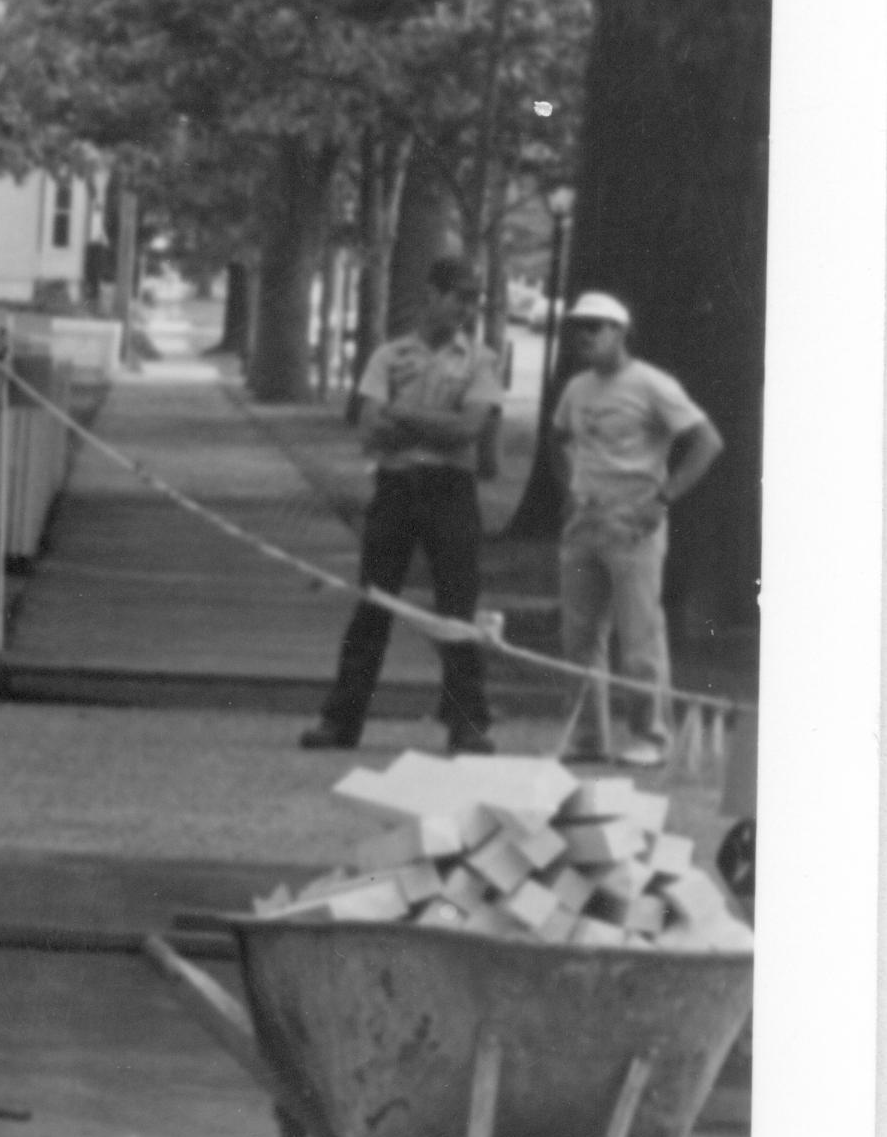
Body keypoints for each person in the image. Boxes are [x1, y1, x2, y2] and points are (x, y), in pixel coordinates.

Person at [300, 257, 504, 756]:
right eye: (458, 296)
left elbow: (470, 430)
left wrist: (404, 415)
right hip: (395, 488)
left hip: (452, 491)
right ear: (431, 295)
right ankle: (342, 721)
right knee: (374, 603)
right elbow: (370, 429)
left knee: (457, 609)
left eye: (474, 299)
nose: (466, 308)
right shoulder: (389, 356)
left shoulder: (481, 360)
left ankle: (466, 724)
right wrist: (436, 422)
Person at [547, 291, 725, 768]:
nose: (585, 336)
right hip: (585, 518)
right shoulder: (577, 388)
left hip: (633, 521)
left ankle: (650, 734)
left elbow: (706, 442)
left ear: (620, 332)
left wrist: (663, 498)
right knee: (579, 637)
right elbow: (559, 437)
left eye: (596, 327)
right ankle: (587, 737)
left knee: (639, 634)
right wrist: (570, 486)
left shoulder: (651, 385)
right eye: (579, 327)